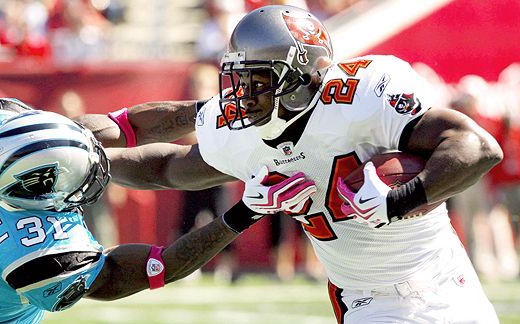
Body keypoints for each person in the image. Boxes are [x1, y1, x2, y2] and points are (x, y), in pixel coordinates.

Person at [78, 5, 504, 323]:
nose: (242, 95)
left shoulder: (364, 97)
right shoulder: (245, 128)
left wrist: (400, 199)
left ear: (305, 75)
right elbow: (168, 164)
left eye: (258, 79)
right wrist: (89, 162)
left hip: (444, 278)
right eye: (239, 78)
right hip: (364, 299)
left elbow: (476, 146)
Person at [0, 98, 316, 323]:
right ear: (43, 191)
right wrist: (244, 213)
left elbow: (119, 132)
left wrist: (216, 109)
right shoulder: (40, 260)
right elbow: (163, 265)